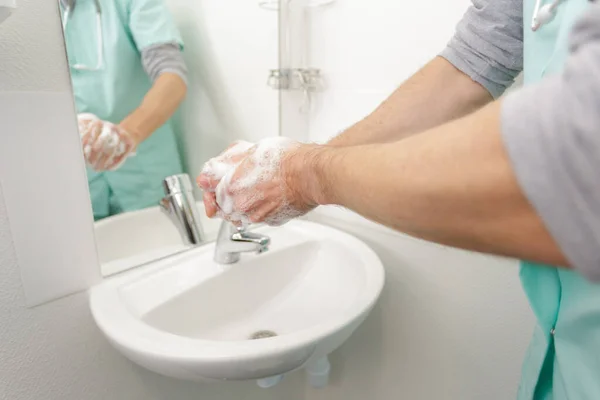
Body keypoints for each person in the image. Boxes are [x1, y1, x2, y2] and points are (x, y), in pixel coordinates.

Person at [198, 0, 600, 398]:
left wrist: (303, 175)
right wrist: (296, 168)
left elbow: (576, 164)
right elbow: (476, 58)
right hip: (559, 356)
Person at [60, 0, 188, 220]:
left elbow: (172, 78)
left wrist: (126, 135)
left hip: (145, 171)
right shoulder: (27, 15)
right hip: (74, 180)